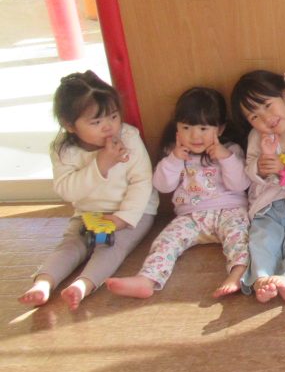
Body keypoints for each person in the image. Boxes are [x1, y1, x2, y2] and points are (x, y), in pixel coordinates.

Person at [18, 71, 157, 309]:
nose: (109, 127)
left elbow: (142, 182)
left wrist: (122, 218)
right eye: (96, 122)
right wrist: (101, 165)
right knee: (71, 244)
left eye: (113, 116)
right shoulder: (64, 150)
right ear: (69, 125)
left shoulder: (129, 137)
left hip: (134, 212)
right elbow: (67, 191)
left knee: (112, 246)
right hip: (88, 213)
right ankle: (43, 283)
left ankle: (83, 285)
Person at [107, 87, 250, 299]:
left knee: (241, 240)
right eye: (186, 127)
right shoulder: (174, 154)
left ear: (220, 129)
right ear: (177, 128)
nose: (195, 135)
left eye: (203, 128)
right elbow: (162, 186)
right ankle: (147, 279)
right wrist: (174, 159)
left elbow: (240, 185)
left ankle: (238, 274)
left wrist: (225, 157)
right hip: (190, 216)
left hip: (230, 212)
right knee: (165, 241)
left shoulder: (231, 150)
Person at [231, 70, 285, 303]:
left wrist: (284, 169)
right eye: (254, 116)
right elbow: (249, 170)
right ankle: (261, 278)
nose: (266, 118)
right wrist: (260, 168)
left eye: (268, 106)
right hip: (267, 206)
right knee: (261, 239)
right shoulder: (256, 137)